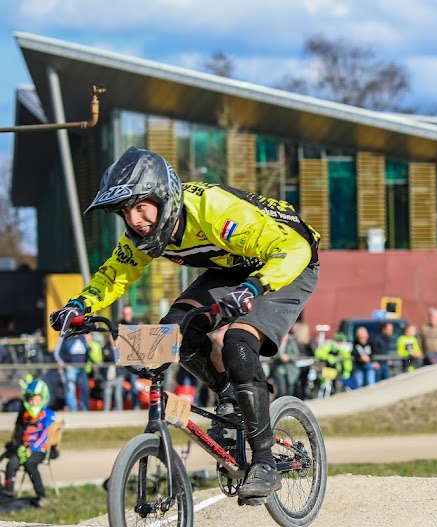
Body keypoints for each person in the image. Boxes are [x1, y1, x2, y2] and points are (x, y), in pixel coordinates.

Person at [48, 147, 320, 501]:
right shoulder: (144, 235)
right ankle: (228, 399)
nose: (136, 220)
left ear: (165, 198)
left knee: (237, 342)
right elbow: (114, 274)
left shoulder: (214, 210)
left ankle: (265, 462)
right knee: (169, 333)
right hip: (232, 269)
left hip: (288, 262)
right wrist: (78, 305)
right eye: (126, 212)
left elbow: (293, 247)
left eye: (141, 207)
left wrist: (254, 287)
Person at [1, 378, 58, 507]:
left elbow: (44, 435)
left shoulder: (48, 414)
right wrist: (20, 447)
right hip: (25, 449)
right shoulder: (25, 415)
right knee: (12, 463)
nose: (33, 403)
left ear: (43, 398)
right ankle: (8, 492)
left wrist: (31, 449)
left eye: (36, 399)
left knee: (29, 464)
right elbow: (19, 434)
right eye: (30, 399)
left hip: (40, 450)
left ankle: (41, 495)